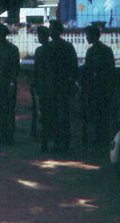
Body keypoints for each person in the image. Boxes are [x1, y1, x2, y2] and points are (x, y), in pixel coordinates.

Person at [82, 25, 115, 147]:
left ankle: (101, 139)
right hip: (100, 87)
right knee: (101, 115)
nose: (86, 38)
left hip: (99, 87)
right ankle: (101, 138)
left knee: (100, 115)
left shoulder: (94, 51)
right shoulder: (104, 50)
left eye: (88, 35)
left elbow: (89, 70)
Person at [48, 20, 78, 153]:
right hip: (54, 85)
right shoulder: (49, 47)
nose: (50, 31)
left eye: (52, 29)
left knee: (62, 115)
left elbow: (73, 67)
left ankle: (63, 143)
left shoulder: (64, 47)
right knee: (55, 115)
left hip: (61, 85)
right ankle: (57, 142)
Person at [0, 23, 20, 145]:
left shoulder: (12, 49)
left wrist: (11, 83)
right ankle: (0, 132)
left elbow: (15, 68)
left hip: (7, 82)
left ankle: (9, 135)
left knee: (8, 109)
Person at [33, 26, 53, 152]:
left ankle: (45, 140)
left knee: (45, 114)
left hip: (45, 85)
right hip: (49, 85)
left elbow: (37, 70)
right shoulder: (50, 49)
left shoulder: (41, 51)